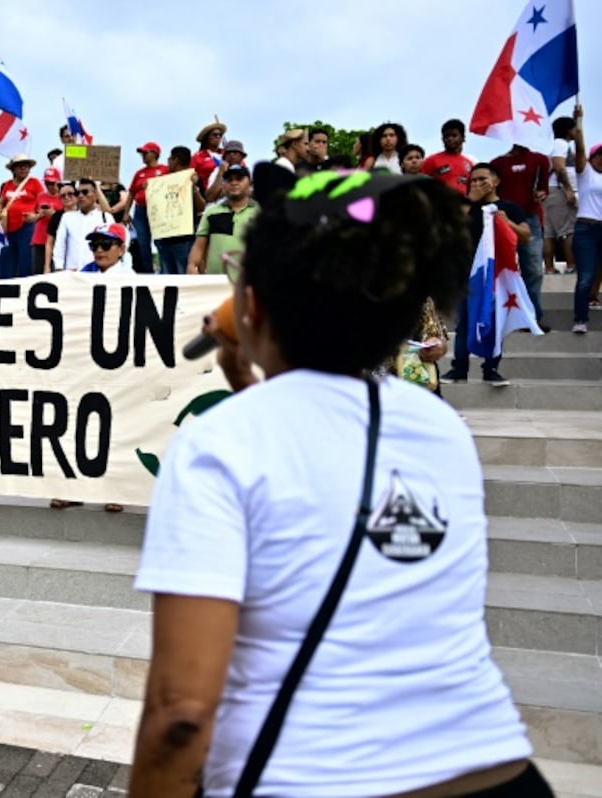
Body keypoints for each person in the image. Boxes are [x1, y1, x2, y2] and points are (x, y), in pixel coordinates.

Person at [132, 166, 549, 798]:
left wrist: (253, 357)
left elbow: (181, 714)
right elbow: (328, 428)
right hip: (498, 776)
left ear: (254, 305)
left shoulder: (217, 444)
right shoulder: (441, 430)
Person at [444, 163, 531, 385]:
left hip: (497, 276)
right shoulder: (465, 205)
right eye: (473, 180)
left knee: (495, 321)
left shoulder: (509, 207)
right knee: (464, 322)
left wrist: (506, 221)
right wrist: (470, 199)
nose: (478, 184)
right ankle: (459, 369)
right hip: (467, 273)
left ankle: (491, 368)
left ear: (496, 181)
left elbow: (526, 235)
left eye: (483, 179)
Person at [492, 144, 551, 329]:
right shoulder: (497, 163)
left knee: (533, 269)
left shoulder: (540, 160)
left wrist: (542, 194)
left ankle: (532, 317)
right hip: (503, 217)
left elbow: (543, 188)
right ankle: (499, 315)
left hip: (530, 219)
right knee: (499, 269)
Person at [187, 165, 258, 276]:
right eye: (229, 180)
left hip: (252, 282)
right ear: (223, 185)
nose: (234, 183)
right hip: (217, 284)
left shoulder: (262, 213)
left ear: (250, 183)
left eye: (239, 179)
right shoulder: (211, 212)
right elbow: (199, 245)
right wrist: (192, 265)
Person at [570, 105, 602, 333]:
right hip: (586, 229)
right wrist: (578, 122)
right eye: (600, 155)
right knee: (585, 277)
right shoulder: (585, 172)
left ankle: (594, 298)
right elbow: (579, 149)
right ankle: (580, 319)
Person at [156, 146, 206, 275]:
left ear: (175, 160)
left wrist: (194, 187)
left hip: (184, 238)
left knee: (183, 277)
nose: (168, 161)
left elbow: (202, 207)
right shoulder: (162, 181)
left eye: (169, 158)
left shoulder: (193, 178)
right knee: (167, 280)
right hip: (165, 236)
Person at [52, 179, 116, 272]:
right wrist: (59, 268)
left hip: (98, 273)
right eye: (78, 193)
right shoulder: (67, 217)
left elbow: (115, 245)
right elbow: (60, 245)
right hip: (72, 273)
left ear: (95, 195)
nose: (81, 196)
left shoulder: (105, 218)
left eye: (85, 192)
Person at [0, 154, 42, 279]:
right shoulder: (7, 185)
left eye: (26, 166)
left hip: (27, 226)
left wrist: (36, 216)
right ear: (13, 169)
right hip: (8, 228)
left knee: (25, 260)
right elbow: (0, 203)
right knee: (6, 259)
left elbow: (43, 203)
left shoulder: (35, 183)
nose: (23, 168)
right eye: (20, 166)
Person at [545, 115, 578, 275]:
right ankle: (572, 266)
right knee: (568, 230)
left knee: (549, 232)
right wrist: (568, 190)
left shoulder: (552, 144)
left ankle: (549, 268)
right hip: (559, 191)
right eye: (573, 128)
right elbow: (559, 167)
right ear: (568, 130)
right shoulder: (560, 144)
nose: (575, 131)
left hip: (550, 192)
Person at [129, 142, 169, 274]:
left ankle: (165, 271)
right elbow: (131, 192)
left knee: (161, 241)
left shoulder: (165, 170)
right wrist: (125, 213)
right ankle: (147, 272)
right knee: (143, 243)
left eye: (146, 153)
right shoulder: (139, 173)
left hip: (159, 210)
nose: (143, 156)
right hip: (140, 210)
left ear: (155, 154)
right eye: (142, 153)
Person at [422, 119, 474, 195]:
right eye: (446, 136)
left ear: (463, 137)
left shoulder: (469, 164)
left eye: (454, 135)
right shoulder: (432, 160)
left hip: (463, 204)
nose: (450, 139)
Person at [30, 167, 65, 275]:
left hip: (57, 238)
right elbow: (31, 215)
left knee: (56, 271)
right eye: (47, 183)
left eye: (52, 183)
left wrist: (54, 215)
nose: (50, 186)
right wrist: (39, 215)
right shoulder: (41, 196)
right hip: (40, 238)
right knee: (38, 271)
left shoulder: (64, 197)